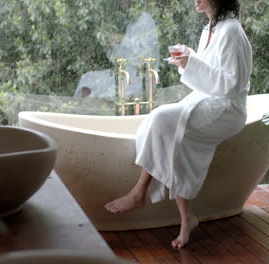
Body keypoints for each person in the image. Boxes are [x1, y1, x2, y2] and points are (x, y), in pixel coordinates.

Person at [105, 0, 252, 248]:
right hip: (209, 100)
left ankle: (139, 192)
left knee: (164, 121)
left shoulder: (231, 31)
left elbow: (231, 84)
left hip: (228, 109)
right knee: (162, 124)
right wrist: (191, 58)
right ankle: (187, 218)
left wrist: (191, 64)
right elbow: (210, 75)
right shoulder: (211, 28)